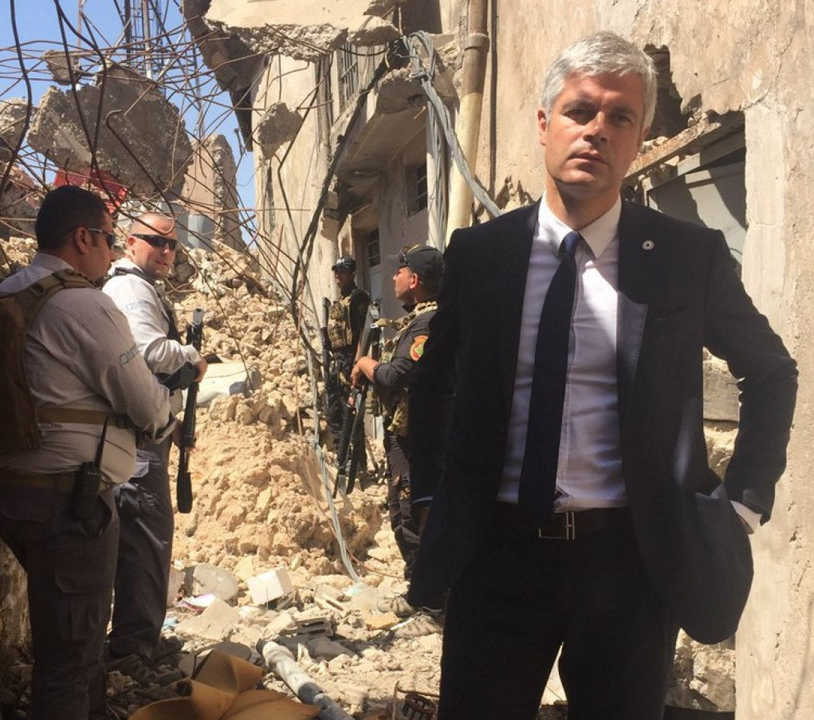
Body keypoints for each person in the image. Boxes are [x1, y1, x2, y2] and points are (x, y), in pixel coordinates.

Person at [407, 32, 797, 720]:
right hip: (497, 556)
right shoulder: (482, 255)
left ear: (640, 135)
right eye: (580, 110)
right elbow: (434, 382)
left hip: (629, 562)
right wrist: (429, 498)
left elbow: (770, 372)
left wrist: (742, 504)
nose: (597, 130)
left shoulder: (685, 256)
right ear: (544, 123)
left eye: (620, 117)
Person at [0, 186, 180, 720]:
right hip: (68, 503)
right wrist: (170, 405)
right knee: (68, 657)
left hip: (10, 493)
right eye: (110, 240)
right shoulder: (84, 302)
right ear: (83, 237)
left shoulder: (8, 292)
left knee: (76, 637)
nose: (111, 253)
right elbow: (144, 402)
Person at [101, 212, 208, 683]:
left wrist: (174, 416)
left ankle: (136, 640)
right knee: (146, 543)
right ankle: (130, 652)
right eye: (156, 243)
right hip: (138, 444)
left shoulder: (142, 287)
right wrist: (193, 361)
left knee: (147, 543)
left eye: (172, 246)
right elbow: (150, 354)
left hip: (149, 434)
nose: (166, 252)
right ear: (129, 242)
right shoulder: (130, 289)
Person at [352, 245, 443, 581]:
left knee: (409, 512)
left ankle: (425, 595)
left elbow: (395, 375)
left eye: (399, 270)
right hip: (409, 434)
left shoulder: (426, 324)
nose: (393, 276)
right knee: (405, 510)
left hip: (415, 437)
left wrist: (364, 363)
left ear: (414, 278)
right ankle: (419, 587)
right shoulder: (421, 319)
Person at [325, 256, 370, 435]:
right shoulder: (340, 301)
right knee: (334, 413)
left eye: (342, 271)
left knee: (351, 415)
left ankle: (357, 461)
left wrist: (358, 364)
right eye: (336, 271)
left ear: (352, 274)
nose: (338, 275)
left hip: (350, 361)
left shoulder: (358, 298)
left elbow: (363, 332)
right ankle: (342, 456)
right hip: (337, 362)